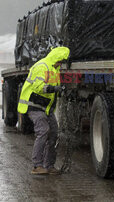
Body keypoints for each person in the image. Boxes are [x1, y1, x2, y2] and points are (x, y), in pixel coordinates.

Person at [17, 47, 70, 175]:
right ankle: (37, 165)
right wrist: (54, 88)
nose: (60, 64)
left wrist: (60, 90)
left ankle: (49, 165)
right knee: (43, 130)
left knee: (54, 133)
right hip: (34, 105)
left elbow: (52, 91)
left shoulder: (54, 69)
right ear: (56, 58)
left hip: (46, 108)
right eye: (60, 61)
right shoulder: (42, 67)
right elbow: (38, 86)